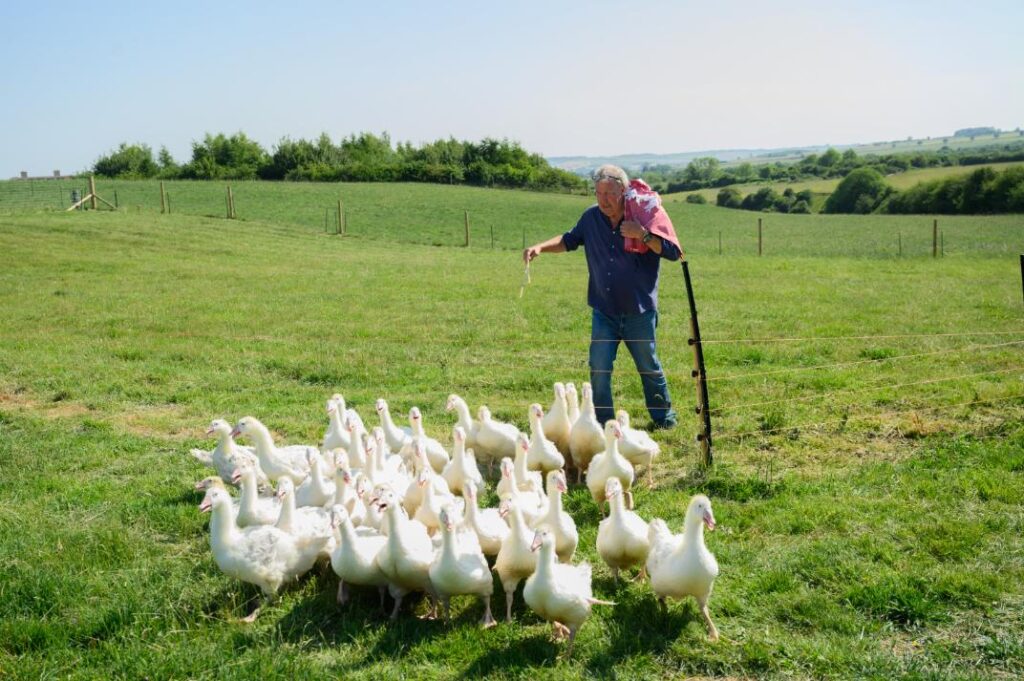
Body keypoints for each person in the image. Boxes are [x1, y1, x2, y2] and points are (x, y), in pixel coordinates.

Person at [523, 164, 680, 430]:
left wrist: (642, 234)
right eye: (598, 193)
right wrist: (540, 248)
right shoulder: (591, 218)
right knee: (599, 367)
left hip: (639, 311)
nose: (603, 200)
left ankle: (664, 419)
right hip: (604, 310)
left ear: (624, 191)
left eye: (609, 194)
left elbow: (672, 252)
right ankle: (603, 423)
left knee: (649, 366)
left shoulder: (642, 215)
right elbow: (569, 240)